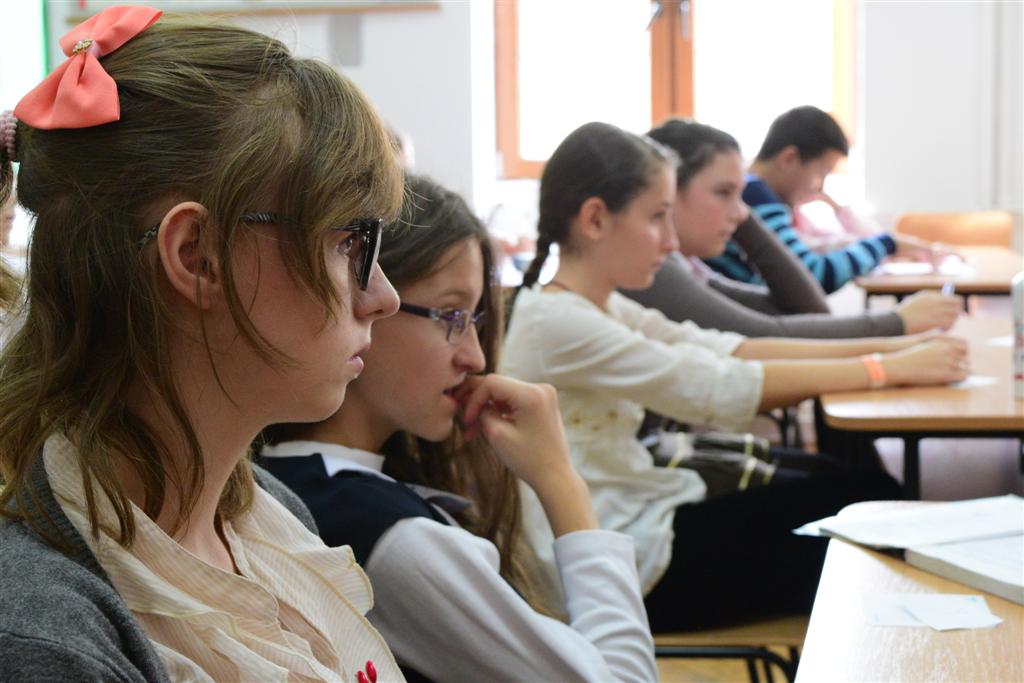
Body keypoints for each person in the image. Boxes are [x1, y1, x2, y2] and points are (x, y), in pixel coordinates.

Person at [0, 7, 408, 680]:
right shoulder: (48, 638)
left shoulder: (266, 514)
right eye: (348, 242)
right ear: (196, 255)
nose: (382, 296)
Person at [501, 121, 968, 630]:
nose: (671, 240)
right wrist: (883, 368)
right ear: (595, 219)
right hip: (619, 567)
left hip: (636, 521)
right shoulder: (560, 321)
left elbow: (731, 347)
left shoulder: (595, 304)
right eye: (657, 217)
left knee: (866, 495)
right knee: (870, 506)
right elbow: (717, 386)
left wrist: (894, 349)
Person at [259, 174, 656, 683]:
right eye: (451, 315)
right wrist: (562, 482)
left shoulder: (290, 479)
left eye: (473, 320)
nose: (475, 358)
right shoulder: (392, 535)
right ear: (370, 302)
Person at [624, 118, 963, 338]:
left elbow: (808, 310)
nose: (740, 212)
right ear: (668, 193)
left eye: (740, 195)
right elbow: (766, 332)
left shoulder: (685, 263)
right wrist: (898, 322)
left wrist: (744, 218)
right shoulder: (649, 269)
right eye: (724, 193)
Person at [705, 105, 940, 293]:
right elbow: (811, 276)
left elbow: (806, 255)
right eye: (822, 172)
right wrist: (887, 244)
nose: (820, 187)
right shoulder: (755, 195)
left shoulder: (762, 196)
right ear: (789, 158)